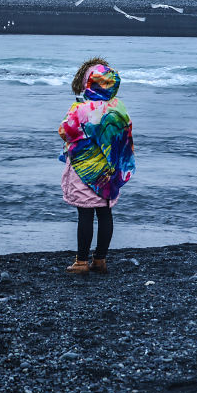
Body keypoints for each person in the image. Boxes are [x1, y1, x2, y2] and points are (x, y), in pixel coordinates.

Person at [58, 58, 135, 274]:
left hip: (85, 170)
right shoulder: (119, 109)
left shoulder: (81, 109)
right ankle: (100, 259)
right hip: (109, 171)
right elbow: (124, 138)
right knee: (105, 213)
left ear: (89, 83)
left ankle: (81, 262)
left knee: (84, 214)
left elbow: (65, 131)